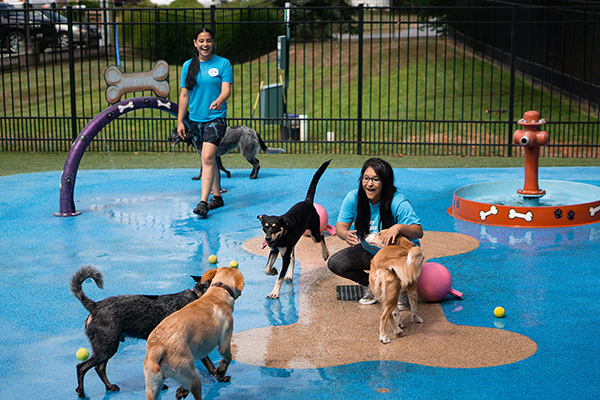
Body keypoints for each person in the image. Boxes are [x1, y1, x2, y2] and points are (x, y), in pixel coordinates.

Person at [327, 157, 423, 307]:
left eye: (376, 179)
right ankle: (370, 286)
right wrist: (345, 234)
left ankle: (402, 289)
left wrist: (398, 227)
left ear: (385, 183)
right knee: (336, 263)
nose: (369, 183)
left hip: (398, 255)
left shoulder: (398, 202)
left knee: (401, 272)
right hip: (371, 251)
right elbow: (340, 227)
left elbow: (418, 231)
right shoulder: (354, 198)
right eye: (366, 178)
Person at [177, 28, 233, 217]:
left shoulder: (223, 64)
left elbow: (226, 89)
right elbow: (184, 94)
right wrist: (180, 121)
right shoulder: (188, 66)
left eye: (208, 40)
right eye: (201, 41)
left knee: (207, 157)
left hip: (215, 118)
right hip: (195, 120)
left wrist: (219, 100)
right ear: (195, 43)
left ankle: (203, 202)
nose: (205, 44)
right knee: (209, 158)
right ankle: (217, 196)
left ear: (213, 42)